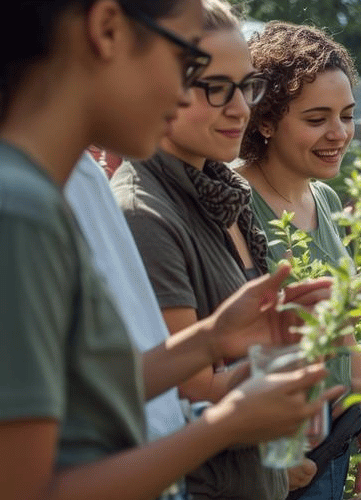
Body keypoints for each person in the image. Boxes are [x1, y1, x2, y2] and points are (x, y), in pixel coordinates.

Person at [0, 0, 338, 498]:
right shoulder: (6, 210)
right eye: (186, 62)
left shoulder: (21, 192)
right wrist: (223, 425)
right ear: (107, 29)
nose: (186, 92)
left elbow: (71, 398)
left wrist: (210, 339)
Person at [111, 1, 305, 495]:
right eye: (216, 88)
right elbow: (190, 390)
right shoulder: (145, 213)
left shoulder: (224, 195)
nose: (240, 108)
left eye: (246, 87)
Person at [238, 21, 361, 499]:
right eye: (317, 118)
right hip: (280, 451)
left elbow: (343, 334)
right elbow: (242, 339)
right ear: (264, 120)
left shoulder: (324, 197)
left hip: (333, 439)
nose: (339, 133)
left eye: (347, 115)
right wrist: (281, 451)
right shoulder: (235, 203)